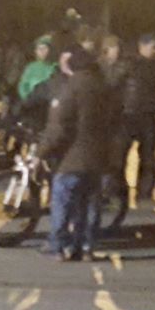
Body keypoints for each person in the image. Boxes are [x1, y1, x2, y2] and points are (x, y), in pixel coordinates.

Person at [39, 47, 114, 260]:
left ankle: (60, 246)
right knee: (89, 204)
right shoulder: (103, 88)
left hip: (71, 158)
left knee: (63, 201)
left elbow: (60, 127)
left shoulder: (71, 88)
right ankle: (86, 247)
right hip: (97, 157)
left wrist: (42, 151)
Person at [115, 34, 155, 210]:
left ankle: (144, 195)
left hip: (147, 115)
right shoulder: (127, 64)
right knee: (120, 158)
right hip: (126, 116)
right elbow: (114, 85)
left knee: (148, 158)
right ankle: (118, 195)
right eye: (153, 47)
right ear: (142, 46)